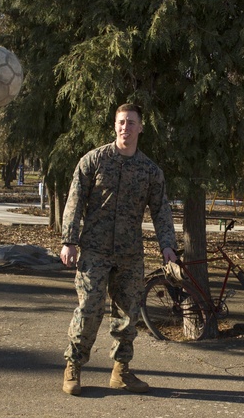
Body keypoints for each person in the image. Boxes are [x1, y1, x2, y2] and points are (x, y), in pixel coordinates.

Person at [59, 103, 178, 395]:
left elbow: (161, 211)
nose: (125, 127)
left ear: (140, 128)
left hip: (129, 254)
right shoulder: (94, 160)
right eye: (121, 122)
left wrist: (168, 247)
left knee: (128, 315)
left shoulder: (150, 171)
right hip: (94, 251)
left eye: (131, 122)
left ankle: (121, 371)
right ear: (115, 126)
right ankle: (73, 366)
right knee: (89, 310)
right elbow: (74, 202)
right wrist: (69, 241)